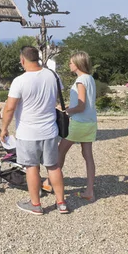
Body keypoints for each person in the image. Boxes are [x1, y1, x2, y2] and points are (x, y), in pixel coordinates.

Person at [0, 46, 69, 215]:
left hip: (28, 132)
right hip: (50, 130)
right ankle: (61, 203)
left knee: (32, 167)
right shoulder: (53, 76)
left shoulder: (20, 81)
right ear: (37, 58)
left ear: (22, 60)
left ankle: (36, 204)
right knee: (53, 167)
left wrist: (4, 128)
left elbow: (9, 108)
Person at [44, 51, 98, 201]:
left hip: (79, 122)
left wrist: (68, 110)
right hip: (90, 122)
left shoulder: (80, 81)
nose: (69, 64)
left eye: (71, 62)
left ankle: (49, 183)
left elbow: (81, 106)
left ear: (78, 64)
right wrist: (71, 106)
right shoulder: (90, 79)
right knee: (88, 156)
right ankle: (89, 191)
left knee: (59, 152)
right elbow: (85, 102)